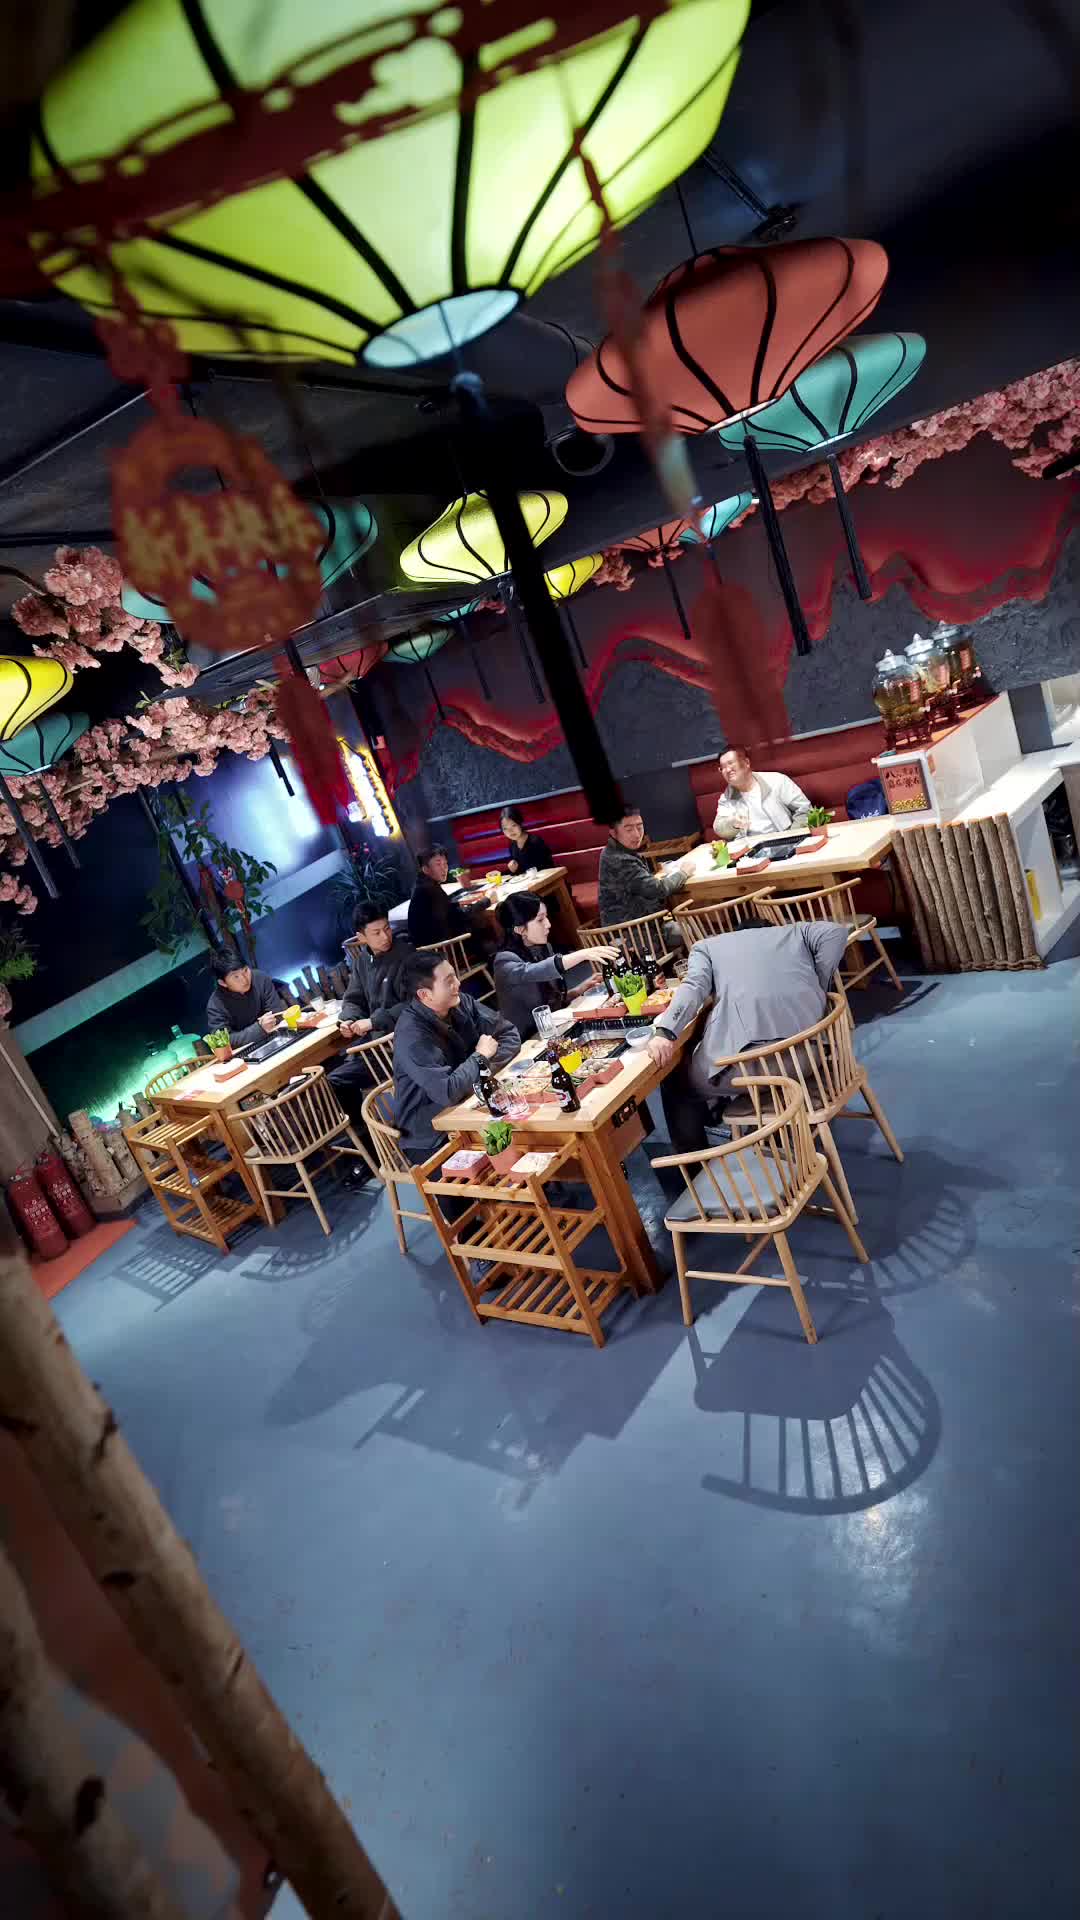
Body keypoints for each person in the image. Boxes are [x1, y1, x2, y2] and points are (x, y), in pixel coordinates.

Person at [645, 916, 851, 1153]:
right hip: (809, 1058)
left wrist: (666, 1031)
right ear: (771, 929)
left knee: (675, 1082)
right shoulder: (796, 933)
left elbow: (693, 987)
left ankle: (695, 1163)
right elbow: (837, 931)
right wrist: (817, 986)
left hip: (750, 1068)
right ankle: (742, 1116)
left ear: (736, 932)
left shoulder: (708, 946)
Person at [393, 951, 520, 1161]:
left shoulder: (460, 1002)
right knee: (511, 1147)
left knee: (525, 1116)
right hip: (432, 1135)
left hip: (472, 1104)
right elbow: (448, 1092)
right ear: (425, 995)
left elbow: (508, 1033)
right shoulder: (412, 1036)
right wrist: (480, 1057)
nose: (458, 984)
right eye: (449, 981)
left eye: (455, 976)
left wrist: (481, 1072)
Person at [326, 904, 414, 1188]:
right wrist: (348, 1019)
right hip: (375, 1045)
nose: (385, 936)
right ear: (361, 937)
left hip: (401, 1044)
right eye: (376, 933)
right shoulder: (363, 960)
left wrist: (373, 1021)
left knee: (337, 1080)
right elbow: (354, 998)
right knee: (333, 1080)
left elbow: (414, 1003)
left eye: (386, 928)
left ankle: (372, 1153)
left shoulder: (405, 954)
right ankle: (371, 1150)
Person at [493, 894, 619, 1041]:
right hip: (525, 1041)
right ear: (520, 929)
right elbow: (534, 972)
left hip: (553, 1030)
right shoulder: (504, 962)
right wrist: (582, 954)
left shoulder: (543, 948)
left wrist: (577, 991)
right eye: (540, 920)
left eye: (546, 917)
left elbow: (550, 1001)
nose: (548, 924)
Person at [597, 802, 693, 939]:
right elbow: (658, 889)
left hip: (643, 925)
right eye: (629, 829)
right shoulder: (619, 859)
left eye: (639, 827)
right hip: (633, 935)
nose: (637, 834)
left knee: (689, 925)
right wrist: (683, 872)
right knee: (689, 929)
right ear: (613, 833)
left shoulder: (616, 851)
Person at [711, 744, 812, 841]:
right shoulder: (726, 798)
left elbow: (804, 809)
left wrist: (792, 836)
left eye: (731, 763)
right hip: (750, 847)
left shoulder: (777, 781)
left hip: (784, 840)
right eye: (722, 767)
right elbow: (719, 828)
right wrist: (733, 823)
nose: (727, 770)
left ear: (746, 762)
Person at [407, 845, 491, 949]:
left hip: (434, 945)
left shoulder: (422, 883)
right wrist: (487, 900)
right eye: (438, 864)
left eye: (445, 863)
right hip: (442, 948)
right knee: (481, 923)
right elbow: (460, 916)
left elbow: (445, 909)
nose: (444, 868)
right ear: (426, 869)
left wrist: (459, 903)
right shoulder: (429, 889)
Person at [205, 953, 289, 1049]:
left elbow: (277, 1013)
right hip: (245, 1051)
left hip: (276, 1037)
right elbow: (224, 1042)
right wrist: (259, 1029)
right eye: (236, 977)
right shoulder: (215, 1005)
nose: (245, 980)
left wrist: (268, 1023)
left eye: (245, 971)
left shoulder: (260, 978)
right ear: (223, 983)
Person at [500, 805, 554, 876]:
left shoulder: (535, 842)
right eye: (505, 828)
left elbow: (548, 868)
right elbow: (521, 871)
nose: (510, 831)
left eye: (513, 825)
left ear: (520, 823)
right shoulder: (512, 845)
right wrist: (513, 869)